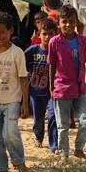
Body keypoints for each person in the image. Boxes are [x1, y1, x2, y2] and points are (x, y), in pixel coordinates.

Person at [0, 12, 30, 172]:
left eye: (2, 32)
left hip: (12, 100)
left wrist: (24, 103)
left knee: (10, 133)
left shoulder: (17, 53)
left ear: (10, 31)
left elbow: (23, 78)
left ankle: (19, 162)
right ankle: (1, 169)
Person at [49, 4, 86, 159]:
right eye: (64, 21)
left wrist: (83, 83)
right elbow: (52, 66)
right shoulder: (54, 42)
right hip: (61, 88)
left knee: (85, 120)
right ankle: (63, 154)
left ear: (76, 22)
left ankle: (79, 149)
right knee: (63, 125)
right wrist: (51, 88)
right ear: (59, 23)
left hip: (79, 87)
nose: (68, 24)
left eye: (71, 21)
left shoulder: (82, 41)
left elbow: (83, 64)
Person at [25, 19, 59, 151]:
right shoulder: (33, 50)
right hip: (35, 91)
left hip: (52, 91)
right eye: (44, 34)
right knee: (38, 119)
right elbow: (20, 61)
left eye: (51, 34)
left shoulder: (57, 51)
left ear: (55, 34)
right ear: (39, 34)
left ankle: (54, 145)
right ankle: (38, 137)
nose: (47, 37)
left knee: (53, 116)